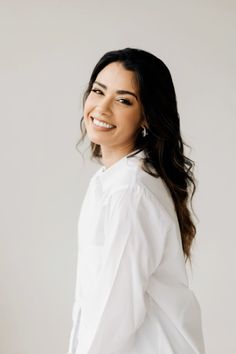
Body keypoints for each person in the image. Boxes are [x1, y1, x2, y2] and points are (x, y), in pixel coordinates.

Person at [67, 48, 205, 354]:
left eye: (123, 100)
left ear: (146, 117)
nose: (101, 108)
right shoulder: (113, 180)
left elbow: (115, 309)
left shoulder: (130, 190)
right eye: (98, 91)